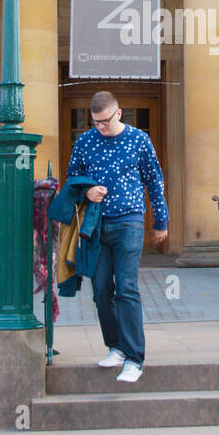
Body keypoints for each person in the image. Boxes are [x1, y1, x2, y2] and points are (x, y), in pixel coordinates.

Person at [65, 90, 168, 382]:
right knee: (100, 290)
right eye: (95, 121)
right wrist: (85, 191)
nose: (100, 126)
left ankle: (135, 358)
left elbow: (154, 181)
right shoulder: (85, 141)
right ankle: (116, 347)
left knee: (126, 288)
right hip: (96, 225)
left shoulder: (139, 139)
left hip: (129, 221)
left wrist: (161, 221)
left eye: (105, 121)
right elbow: (72, 178)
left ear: (118, 113)